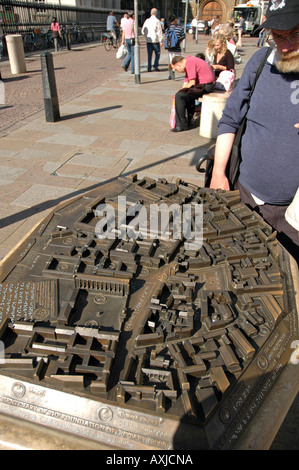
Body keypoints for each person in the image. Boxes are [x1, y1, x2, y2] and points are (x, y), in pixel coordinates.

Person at [209, 0, 299, 264]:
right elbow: (230, 117)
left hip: (293, 215)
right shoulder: (261, 61)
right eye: (277, 36)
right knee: (235, 265)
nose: (284, 45)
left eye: (294, 34)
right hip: (245, 195)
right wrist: (218, 173)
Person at [170, 55, 215, 132]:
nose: (178, 71)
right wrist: (180, 91)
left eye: (176, 69)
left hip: (206, 86)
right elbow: (186, 82)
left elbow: (191, 82)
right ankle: (188, 120)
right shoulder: (189, 61)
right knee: (183, 95)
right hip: (206, 85)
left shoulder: (190, 62)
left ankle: (181, 125)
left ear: (179, 65)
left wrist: (179, 93)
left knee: (179, 96)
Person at [165, 15, 185, 80]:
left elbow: (166, 37)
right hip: (177, 48)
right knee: (178, 61)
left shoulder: (168, 29)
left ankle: (170, 74)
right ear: (175, 20)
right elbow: (183, 36)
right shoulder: (180, 28)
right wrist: (179, 41)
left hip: (170, 48)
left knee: (170, 62)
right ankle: (176, 70)